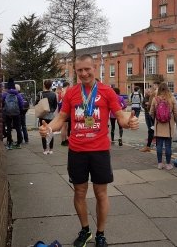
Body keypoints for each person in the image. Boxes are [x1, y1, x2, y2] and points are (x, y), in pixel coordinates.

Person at [39, 54, 139, 247]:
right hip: (77, 150)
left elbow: (120, 117)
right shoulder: (71, 93)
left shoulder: (107, 91)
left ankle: (101, 234)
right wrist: (49, 128)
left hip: (99, 150)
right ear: (75, 72)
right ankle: (85, 230)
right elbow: (61, 118)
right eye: (80, 70)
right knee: (79, 192)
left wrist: (129, 122)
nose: (84, 73)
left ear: (95, 68)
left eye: (87, 69)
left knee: (101, 193)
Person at [150, 82, 177, 170]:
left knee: (159, 146)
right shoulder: (172, 98)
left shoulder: (155, 99)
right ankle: (168, 164)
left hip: (159, 126)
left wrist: (156, 119)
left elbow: (151, 112)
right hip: (169, 126)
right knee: (168, 146)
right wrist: (174, 121)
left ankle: (159, 163)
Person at [36, 80, 58, 155]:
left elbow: (36, 103)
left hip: (42, 116)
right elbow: (55, 105)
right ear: (51, 86)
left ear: (44, 85)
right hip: (51, 116)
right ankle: (51, 149)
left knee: (43, 132)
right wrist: (51, 111)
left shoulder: (40, 93)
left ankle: (45, 149)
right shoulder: (53, 94)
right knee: (51, 132)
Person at [2, 78, 24, 149]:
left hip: (7, 113)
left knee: (8, 128)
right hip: (16, 113)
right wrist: (20, 110)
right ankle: (19, 142)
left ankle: (9, 142)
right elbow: (21, 104)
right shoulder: (17, 94)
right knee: (18, 128)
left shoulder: (5, 94)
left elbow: (2, 103)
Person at [140, 88, 155, 152]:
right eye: (146, 92)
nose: (147, 93)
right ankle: (149, 144)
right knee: (150, 128)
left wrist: (149, 104)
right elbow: (143, 104)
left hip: (151, 115)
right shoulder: (145, 97)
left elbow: (152, 106)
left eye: (149, 92)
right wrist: (145, 105)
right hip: (147, 113)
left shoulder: (153, 97)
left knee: (152, 129)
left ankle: (149, 145)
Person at [60, 81, 71, 146]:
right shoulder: (64, 91)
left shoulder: (62, 91)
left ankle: (65, 139)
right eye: (68, 86)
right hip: (65, 111)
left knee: (65, 127)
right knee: (64, 127)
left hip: (64, 110)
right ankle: (63, 141)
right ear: (67, 86)